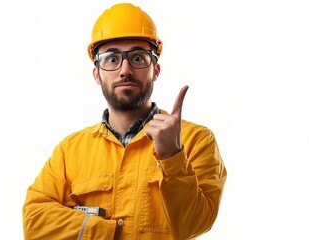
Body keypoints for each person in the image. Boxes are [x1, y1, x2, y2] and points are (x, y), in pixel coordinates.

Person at [23, 3, 227, 240]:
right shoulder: (70, 151)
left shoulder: (195, 140)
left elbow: (193, 225)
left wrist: (173, 155)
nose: (125, 70)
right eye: (111, 59)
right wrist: (107, 231)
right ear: (97, 74)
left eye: (138, 58)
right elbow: (34, 220)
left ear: (156, 70)